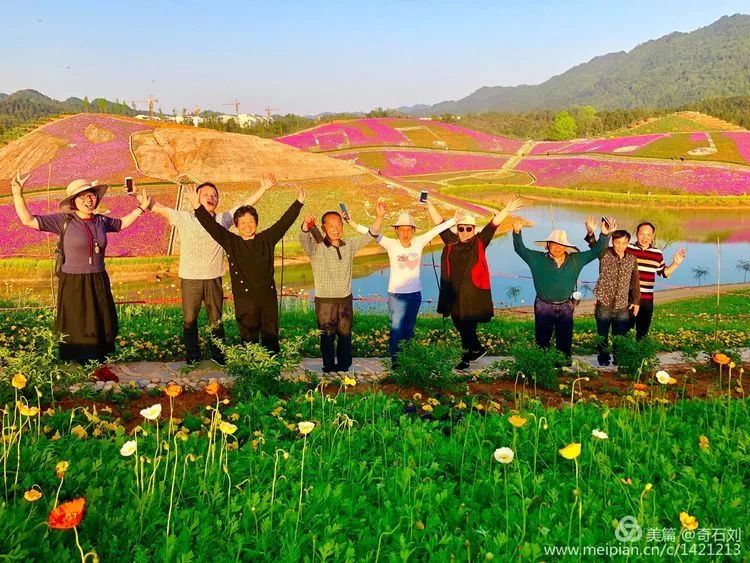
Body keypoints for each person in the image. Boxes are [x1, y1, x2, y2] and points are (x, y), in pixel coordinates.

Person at [11, 172, 152, 362]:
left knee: (100, 318)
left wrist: (142, 207)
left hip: (98, 277)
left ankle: (99, 357)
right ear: (74, 201)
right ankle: (78, 358)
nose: (89, 199)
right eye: (83, 196)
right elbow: (28, 220)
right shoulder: (64, 220)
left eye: (92, 194)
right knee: (77, 321)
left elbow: (122, 223)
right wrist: (17, 193)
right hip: (74, 280)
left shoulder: (101, 221)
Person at [149, 175, 277, 364]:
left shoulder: (223, 219)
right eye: (206, 194)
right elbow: (158, 208)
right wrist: (140, 200)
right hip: (190, 278)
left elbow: (244, 207)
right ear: (196, 198)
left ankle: (218, 354)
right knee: (189, 320)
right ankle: (193, 356)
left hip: (213, 278)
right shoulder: (183, 218)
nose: (211, 197)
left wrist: (263, 189)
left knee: (216, 320)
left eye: (214, 195)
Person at [190, 184, 305, 355]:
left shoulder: (267, 238)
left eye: (251, 221)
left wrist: (299, 203)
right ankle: (251, 370)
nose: (247, 225)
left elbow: (284, 223)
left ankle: (271, 371)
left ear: (257, 223)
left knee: (270, 336)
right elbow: (211, 226)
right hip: (245, 300)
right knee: (248, 337)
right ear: (236, 225)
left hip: (267, 298)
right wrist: (197, 207)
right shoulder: (231, 242)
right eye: (242, 223)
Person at [430, 196, 523, 370]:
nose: (465, 232)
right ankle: (477, 349)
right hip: (454, 294)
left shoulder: (479, 243)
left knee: (467, 327)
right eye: (461, 228)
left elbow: (492, 225)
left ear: (473, 230)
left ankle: (465, 359)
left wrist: (506, 210)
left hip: (472, 295)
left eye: (468, 229)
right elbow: (439, 223)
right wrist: (428, 204)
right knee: (460, 324)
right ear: (457, 229)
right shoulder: (451, 242)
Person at [300, 203, 385, 373]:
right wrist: (305, 225)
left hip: (345, 299)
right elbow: (303, 237)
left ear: (343, 227)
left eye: (338, 224)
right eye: (331, 225)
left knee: (345, 334)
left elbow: (371, 235)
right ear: (323, 227)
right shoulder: (316, 247)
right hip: (325, 301)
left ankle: (344, 366)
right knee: (327, 336)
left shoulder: (350, 246)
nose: (335, 228)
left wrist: (379, 216)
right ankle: (329, 367)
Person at [513, 217, 612, 361]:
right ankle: (541, 364)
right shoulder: (536, 258)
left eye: (561, 244)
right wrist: (517, 232)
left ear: (566, 246)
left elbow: (596, 252)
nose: (557, 247)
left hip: (566, 305)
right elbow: (519, 249)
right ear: (547, 245)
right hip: (543, 305)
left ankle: (563, 364)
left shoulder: (576, 259)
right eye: (553, 244)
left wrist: (604, 234)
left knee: (565, 337)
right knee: (542, 338)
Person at [372, 200, 457, 368]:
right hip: (396, 295)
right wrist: (377, 216)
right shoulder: (390, 244)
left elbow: (436, 230)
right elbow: (373, 233)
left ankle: (408, 359)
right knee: (396, 329)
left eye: (409, 229)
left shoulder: (419, 242)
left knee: (409, 328)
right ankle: (396, 362)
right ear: (396, 230)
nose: (405, 233)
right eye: (402, 229)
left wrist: (454, 220)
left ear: (413, 230)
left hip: (415, 294)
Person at [585, 220, 685, 340]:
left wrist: (675, 264)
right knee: (624, 334)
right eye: (642, 234)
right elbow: (601, 251)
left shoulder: (657, 253)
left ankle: (640, 357)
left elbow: (663, 273)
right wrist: (592, 234)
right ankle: (621, 357)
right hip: (627, 299)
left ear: (653, 236)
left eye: (648, 234)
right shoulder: (627, 248)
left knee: (642, 334)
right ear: (636, 234)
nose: (645, 237)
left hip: (646, 300)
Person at [583, 217, 641, 366]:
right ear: (612, 242)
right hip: (604, 302)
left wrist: (636, 302)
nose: (620, 246)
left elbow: (635, 281)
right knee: (602, 334)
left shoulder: (632, 259)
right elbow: (594, 246)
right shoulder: (604, 254)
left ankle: (618, 359)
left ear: (628, 242)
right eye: (617, 242)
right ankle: (603, 360)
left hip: (622, 304)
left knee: (619, 335)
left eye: (624, 243)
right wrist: (591, 232)